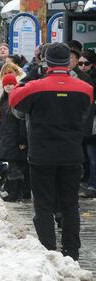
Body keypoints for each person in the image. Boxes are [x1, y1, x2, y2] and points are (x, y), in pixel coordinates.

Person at [9, 42, 94, 261]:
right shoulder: (85, 89)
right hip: (71, 154)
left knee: (44, 205)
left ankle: (48, 250)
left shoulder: (35, 87)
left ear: (46, 61)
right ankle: (72, 251)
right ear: (69, 61)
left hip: (41, 154)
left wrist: (31, 77)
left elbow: (14, 98)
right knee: (70, 204)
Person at [0, 74, 29, 201]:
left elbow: (21, 121)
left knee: (15, 166)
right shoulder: (3, 100)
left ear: (15, 85)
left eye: (11, 84)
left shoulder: (17, 100)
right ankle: (16, 191)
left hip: (15, 138)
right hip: (6, 136)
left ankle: (15, 193)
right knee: (12, 164)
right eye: (6, 84)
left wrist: (22, 139)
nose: (8, 86)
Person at [78, 50, 96, 198]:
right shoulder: (78, 78)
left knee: (92, 157)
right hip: (81, 123)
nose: (83, 66)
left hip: (92, 125)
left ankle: (92, 185)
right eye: (80, 63)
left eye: (86, 63)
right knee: (84, 156)